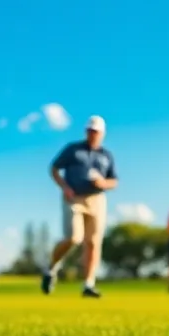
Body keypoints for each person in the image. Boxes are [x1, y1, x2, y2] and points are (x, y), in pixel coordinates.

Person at [43, 115, 117, 299]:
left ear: (102, 133)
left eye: (96, 132)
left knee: (93, 243)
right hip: (74, 197)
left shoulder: (106, 155)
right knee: (74, 238)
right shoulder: (73, 149)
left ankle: (88, 284)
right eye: (90, 131)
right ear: (86, 131)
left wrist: (103, 183)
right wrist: (64, 187)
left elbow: (114, 180)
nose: (93, 134)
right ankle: (51, 267)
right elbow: (53, 168)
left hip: (97, 199)